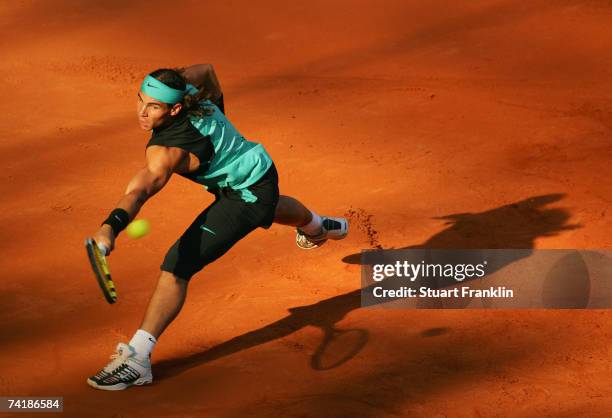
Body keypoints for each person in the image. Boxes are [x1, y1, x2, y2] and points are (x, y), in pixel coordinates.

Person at [86, 64, 349, 390]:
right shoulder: (198, 94)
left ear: (175, 108)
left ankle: (139, 358)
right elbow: (206, 70)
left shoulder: (166, 152)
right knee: (271, 203)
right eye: (140, 100)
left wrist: (111, 226)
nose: (142, 112)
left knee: (178, 264)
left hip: (245, 195)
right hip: (256, 166)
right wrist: (180, 81)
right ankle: (317, 226)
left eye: (153, 106)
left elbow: (140, 189)